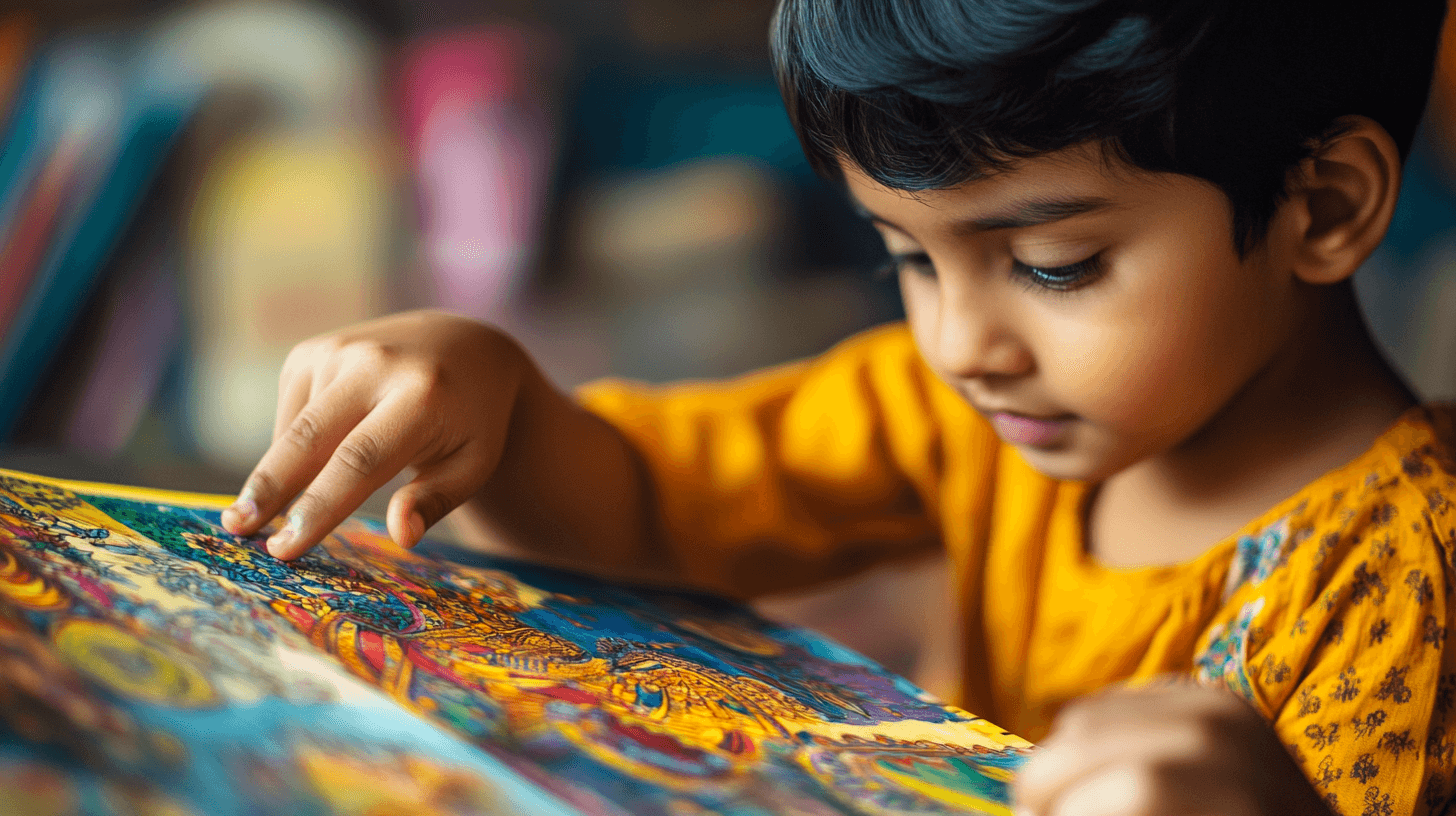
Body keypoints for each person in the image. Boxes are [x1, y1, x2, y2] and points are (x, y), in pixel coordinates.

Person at [220, 0, 1454, 812]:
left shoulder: (1407, 591)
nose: (959, 340)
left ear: (1324, 205)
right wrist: (494, 399)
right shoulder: (955, 408)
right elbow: (650, 501)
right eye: (908, 259)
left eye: (1052, 266)